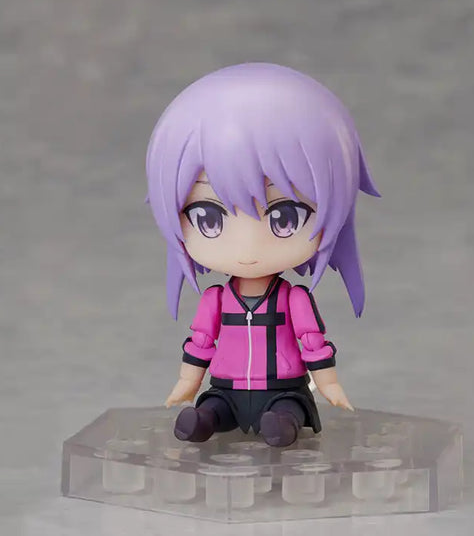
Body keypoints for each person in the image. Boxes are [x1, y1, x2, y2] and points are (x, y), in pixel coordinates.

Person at [145, 63, 379, 446]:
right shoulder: (216, 299)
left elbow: (312, 341)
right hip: (226, 387)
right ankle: (204, 420)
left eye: (285, 217)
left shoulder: (293, 298)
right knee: (213, 410)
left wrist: (328, 383)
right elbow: (201, 341)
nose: (247, 248)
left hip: (283, 387)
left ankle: (282, 426)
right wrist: (188, 381)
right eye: (208, 217)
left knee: (287, 411)